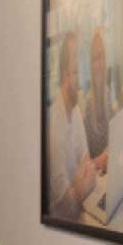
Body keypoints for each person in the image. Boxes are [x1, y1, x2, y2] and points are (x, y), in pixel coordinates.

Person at [47, 31, 97, 221]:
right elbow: (66, 205)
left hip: (80, 213)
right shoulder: (53, 130)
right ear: (63, 75)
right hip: (64, 226)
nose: (82, 80)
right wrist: (81, 184)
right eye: (76, 71)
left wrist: (77, 186)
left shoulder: (75, 109)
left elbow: (87, 160)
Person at [82, 28, 112, 172]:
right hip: (96, 175)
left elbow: (114, 136)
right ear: (90, 64)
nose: (99, 63)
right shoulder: (88, 104)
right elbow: (85, 162)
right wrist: (103, 158)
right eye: (95, 59)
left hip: (109, 168)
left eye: (101, 56)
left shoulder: (107, 93)